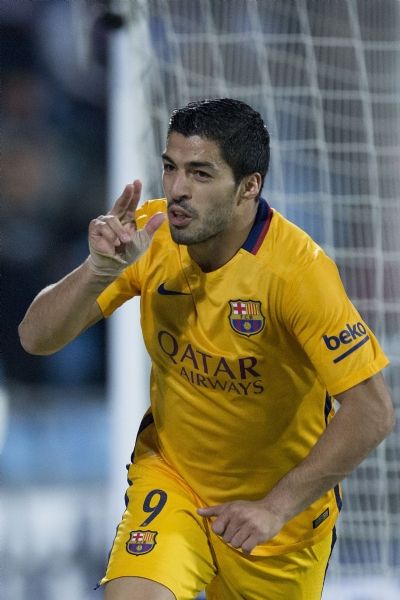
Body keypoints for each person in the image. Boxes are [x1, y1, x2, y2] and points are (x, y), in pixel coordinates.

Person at [19, 98, 395, 600]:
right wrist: (98, 271)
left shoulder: (298, 274)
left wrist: (275, 507)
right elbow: (35, 338)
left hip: (275, 522)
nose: (177, 189)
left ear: (249, 187)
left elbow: (372, 411)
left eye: (200, 173)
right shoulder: (148, 237)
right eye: (170, 167)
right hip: (174, 481)